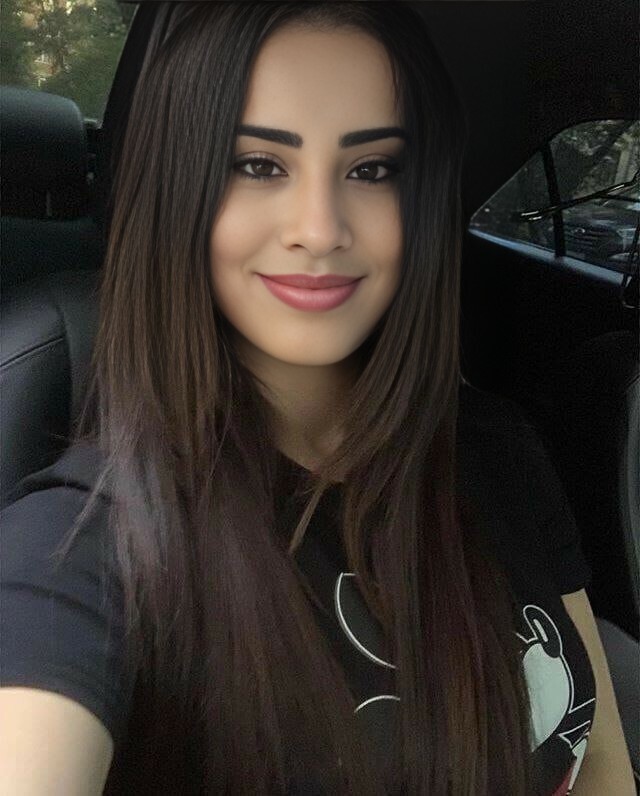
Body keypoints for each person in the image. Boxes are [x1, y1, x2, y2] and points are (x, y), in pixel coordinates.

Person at [1, 2, 617, 794]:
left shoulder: (496, 454)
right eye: (259, 165)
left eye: (371, 170)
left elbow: (599, 763)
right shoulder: (80, 554)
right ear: (178, 190)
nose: (320, 229)